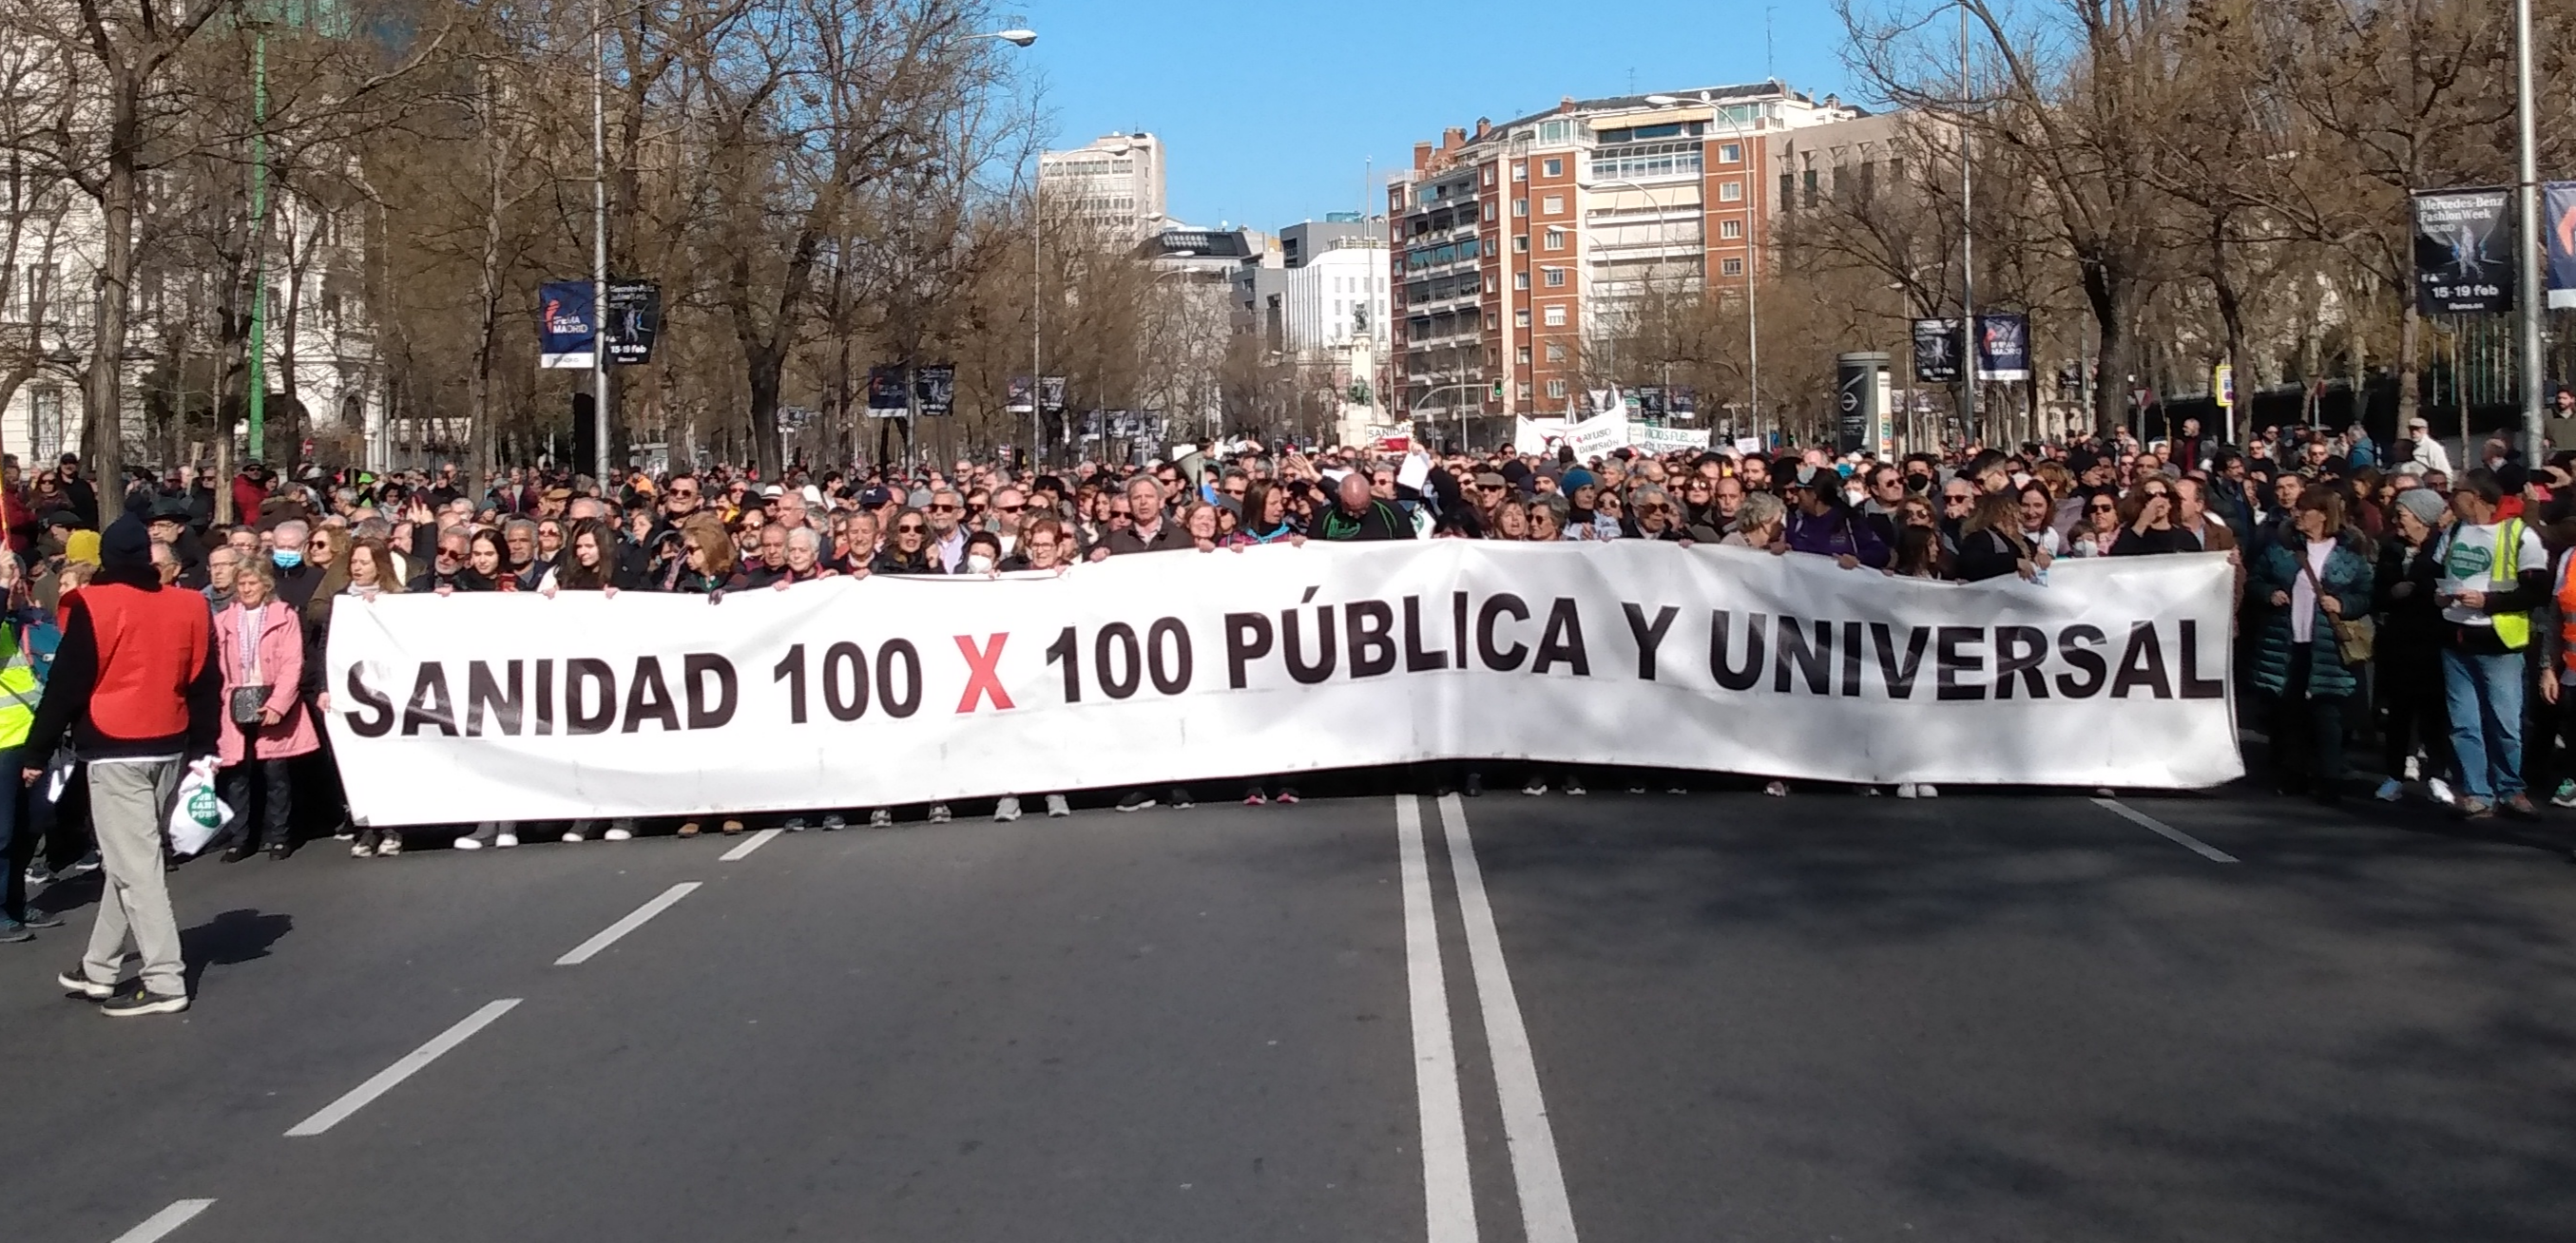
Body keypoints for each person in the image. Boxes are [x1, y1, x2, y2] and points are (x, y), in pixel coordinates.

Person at [21, 516, 217, 1017]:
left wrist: (37, 752)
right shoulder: (190, 603)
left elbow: (68, 683)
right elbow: (203, 680)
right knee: (129, 860)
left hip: (114, 744)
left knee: (137, 867)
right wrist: (204, 747)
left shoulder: (95, 603)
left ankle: (165, 978)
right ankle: (100, 965)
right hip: (168, 742)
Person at [2432, 469, 2548, 819]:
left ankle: (2511, 788)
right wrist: (2437, 595)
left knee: (2505, 722)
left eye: (2458, 492)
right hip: (2455, 638)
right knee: (2464, 723)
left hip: (2500, 643)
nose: (2451, 497)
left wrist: (2488, 601)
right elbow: (2432, 571)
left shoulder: (2519, 534)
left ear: (2478, 497)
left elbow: (2537, 591)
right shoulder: (2453, 530)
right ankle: (2477, 791)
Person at [2250, 491, 2373, 803]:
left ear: (2323, 514)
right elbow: (2256, 579)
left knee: (2328, 714)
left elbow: (2366, 594)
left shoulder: (2349, 554)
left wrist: (2343, 603)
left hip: (2328, 646)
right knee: (2291, 712)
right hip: (2290, 643)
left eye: (2306, 510)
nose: (2298, 515)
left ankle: (2330, 778)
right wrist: (2269, 593)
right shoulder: (2282, 550)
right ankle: (2294, 775)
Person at [212, 559, 317, 860]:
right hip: (236, 701)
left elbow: (292, 663)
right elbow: (219, 666)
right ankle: (240, 838)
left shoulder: (283, 616)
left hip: (271, 698)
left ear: (266, 585)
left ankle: (279, 836)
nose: (246, 589)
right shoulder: (224, 620)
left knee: (276, 773)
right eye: (242, 584)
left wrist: (278, 704)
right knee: (238, 774)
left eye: (252, 583)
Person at [2374, 487, 2453, 804]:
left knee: (2435, 713)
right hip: (2399, 642)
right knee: (2399, 715)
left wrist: (2420, 590)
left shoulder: (2442, 550)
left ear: (2423, 518)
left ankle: (2437, 774)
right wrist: (2391, 593)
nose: (2398, 521)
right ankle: (2394, 775)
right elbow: (2377, 591)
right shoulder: (2390, 549)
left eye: (2403, 515)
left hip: (2435, 640)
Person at [1316, 471, 1413, 542]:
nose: (1356, 515)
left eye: (1363, 510)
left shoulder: (1392, 512)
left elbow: (1410, 547)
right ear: (1340, 498)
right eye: (1350, 511)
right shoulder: (1325, 517)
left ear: (1369, 496)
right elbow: (1311, 550)